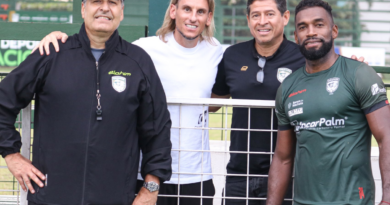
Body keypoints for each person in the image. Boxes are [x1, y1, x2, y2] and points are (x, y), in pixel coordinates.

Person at [32, 0, 223, 204]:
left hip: (196, 174)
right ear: (174, 11)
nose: (193, 17)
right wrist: (55, 38)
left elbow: (218, 98)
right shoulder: (142, 50)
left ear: (209, 17)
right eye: (187, 9)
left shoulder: (217, 52)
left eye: (200, 11)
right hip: (142, 174)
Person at [0, 0, 172, 204]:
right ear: (83, 9)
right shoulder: (52, 54)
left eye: (113, 3)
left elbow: (157, 131)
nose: (105, 8)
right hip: (51, 197)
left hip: (114, 198)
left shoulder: (138, 62)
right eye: (97, 1)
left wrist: (151, 188)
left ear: (121, 12)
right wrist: (11, 154)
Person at [210, 0, 366, 204]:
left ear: (284, 18)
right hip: (239, 173)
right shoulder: (232, 56)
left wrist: (357, 71)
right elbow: (213, 103)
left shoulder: (305, 56)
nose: (262, 21)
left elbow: (336, 81)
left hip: (291, 173)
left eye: (269, 14)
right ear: (248, 20)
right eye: (256, 15)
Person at [267, 0, 390, 204]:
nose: (311, 32)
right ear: (296, 36)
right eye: (303, 27)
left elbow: (386, 137)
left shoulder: (359, 74)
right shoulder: (287, 87)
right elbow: (282, 158)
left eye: (319, 24)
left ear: (333, 30)